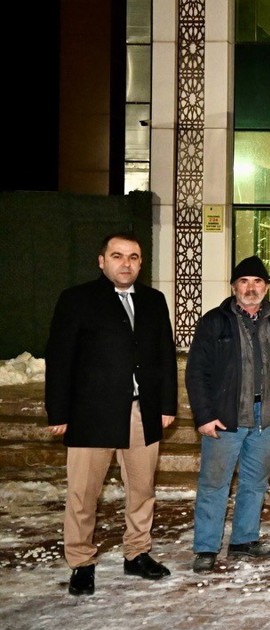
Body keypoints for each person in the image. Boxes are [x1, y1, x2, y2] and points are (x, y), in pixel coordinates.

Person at [46, 232, 178, 595]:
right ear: (102, 261)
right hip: (90, 414)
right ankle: (81, 562)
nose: (126, 263)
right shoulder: (77, 300)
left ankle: (137, 552)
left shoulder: (153, 300)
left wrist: (167, 405)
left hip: (141, 412)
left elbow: (165, 355)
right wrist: (58, 411)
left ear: (140, 263)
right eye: (117, 256)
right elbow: (60, 358)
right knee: (83, 493)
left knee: (142, 489)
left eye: (133, 257)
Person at [187, 256, 270, 573]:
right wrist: (204, 416)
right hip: (226, 417)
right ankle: (206, 548)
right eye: (244, 281)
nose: (250, 288)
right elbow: (196, 372)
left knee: (255, 483)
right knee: (214, 484)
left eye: (257, 281)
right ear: (233, 287)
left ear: (266, 287)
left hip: (266, 417)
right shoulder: (214, 321)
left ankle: (244, 541)